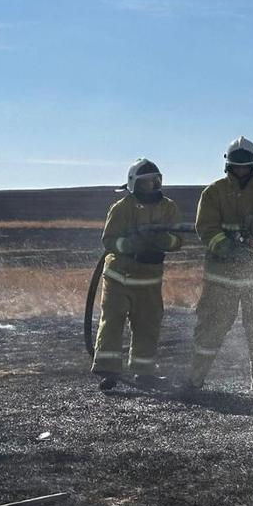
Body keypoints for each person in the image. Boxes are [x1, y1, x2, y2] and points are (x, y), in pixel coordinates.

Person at [185, 136, 253, 398]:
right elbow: (206, 228)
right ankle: (195, 381)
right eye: (236, 166)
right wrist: (227, 248)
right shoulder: (214, 193)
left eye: (246, 165)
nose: (241, 170)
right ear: (228, 166)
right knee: (211, 328)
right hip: (222, 278)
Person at [92, 159, 183, 388]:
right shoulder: (122, 207)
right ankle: (108, 371)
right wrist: (131, 244)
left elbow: (178, 240)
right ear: (134, 184)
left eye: (155, 181)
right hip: (118, 278)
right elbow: (109, 240)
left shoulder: (168, 208)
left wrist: (162, 239)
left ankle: (144, 372)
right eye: (146, 183)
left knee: (148, 324)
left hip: (149, 279)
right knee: (112, 322)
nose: (152, 186)